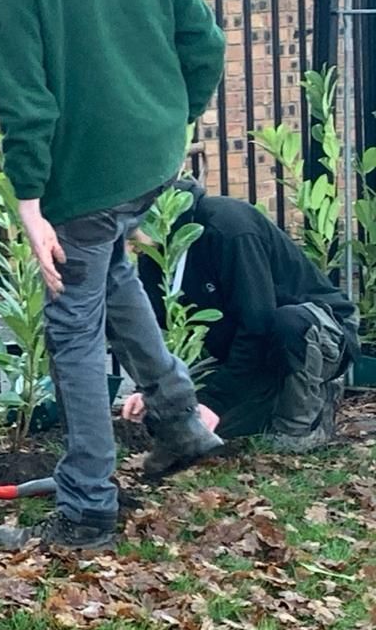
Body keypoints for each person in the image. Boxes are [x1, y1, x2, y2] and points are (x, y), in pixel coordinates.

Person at [0, 0, 228, 552]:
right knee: (109, 275)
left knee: (71, 327)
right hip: (152, 159)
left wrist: (29, 201)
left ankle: (85, 509)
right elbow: (205, 44)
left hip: (84, 178)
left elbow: (26, 101)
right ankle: (177, 418)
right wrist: (173, 117)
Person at [123, 177, 354, 452]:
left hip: (315, 336)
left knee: (287, 325)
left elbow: (258, 323)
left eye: (129, 237)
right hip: (247, 348)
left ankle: (302, 426)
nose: (128, 248)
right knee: (190, 427)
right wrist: (149, 389)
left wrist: (214, 402)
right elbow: (158, 331)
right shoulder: (157, 251)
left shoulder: (228, 227)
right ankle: (274, 401)